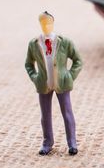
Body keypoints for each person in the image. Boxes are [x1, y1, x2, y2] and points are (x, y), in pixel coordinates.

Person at [25, 11, 83, 156]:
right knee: (45, 115)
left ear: (53, 23)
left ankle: (72, 143)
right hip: (44, 84)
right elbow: (28, 64)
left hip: (62, 84)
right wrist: (35, 77)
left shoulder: (64, 42)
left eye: (48, 23)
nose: (46, 26)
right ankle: (47, 142)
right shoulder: (34, 44)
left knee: (67, 113)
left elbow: (78, 61)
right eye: (43, 23)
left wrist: (69, 76)